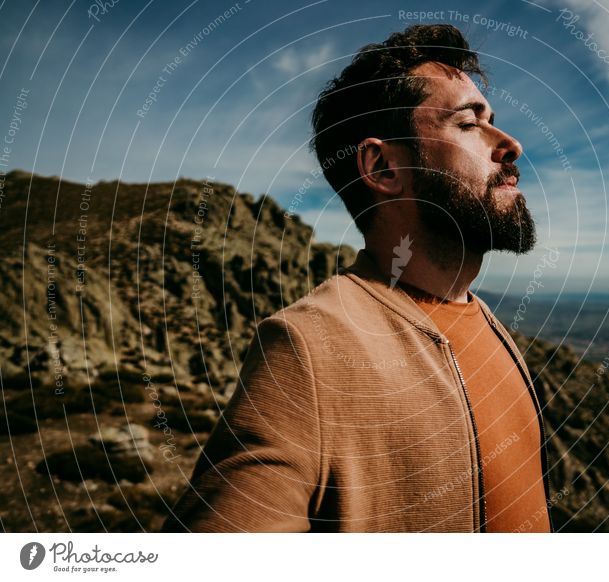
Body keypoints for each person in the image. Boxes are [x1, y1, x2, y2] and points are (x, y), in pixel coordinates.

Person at [162, 23, 552, 533]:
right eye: (468, 124)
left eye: (493, 120)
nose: (511, 144)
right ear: (383, 167)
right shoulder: (309, 349)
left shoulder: (489, 325)